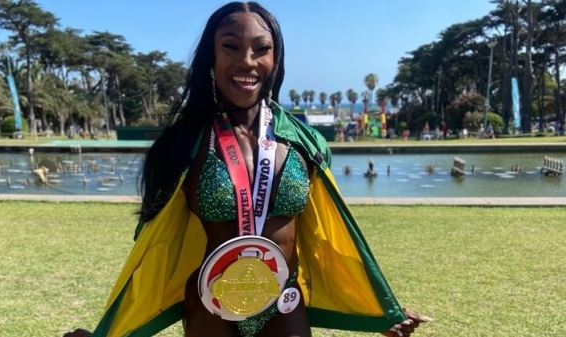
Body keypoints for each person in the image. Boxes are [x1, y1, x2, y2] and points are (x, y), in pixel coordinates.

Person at [64, 2, 430, 337]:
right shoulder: (182, 145)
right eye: (231, 46)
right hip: (211, 304)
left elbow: (331, 239)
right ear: (211, 55)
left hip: (283, 304)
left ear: (276, 57)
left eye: (261, 48)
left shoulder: (306, 143)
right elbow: (153, 250)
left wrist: (382, 311)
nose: (248, 61)